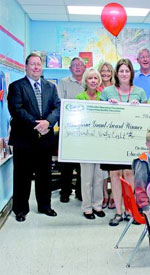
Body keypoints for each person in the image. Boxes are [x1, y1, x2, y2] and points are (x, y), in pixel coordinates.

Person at [7, 53, 60, 222]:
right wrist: (38, 124)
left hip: (45, 140)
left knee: (45, 174)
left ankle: (45, 206)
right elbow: (16, 109)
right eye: (32, 64)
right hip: (24, 139)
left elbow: (57, 108)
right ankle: (21, 209)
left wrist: (48, 123)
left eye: (39, 64)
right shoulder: (16, 86)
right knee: (22, 175)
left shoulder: (50, 87)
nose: (36, 67)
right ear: (26, 66)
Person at [100, 58, 147, 226]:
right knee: (114, 174)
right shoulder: (107, 92)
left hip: (132, 142)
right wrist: (107, 106)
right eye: (121, 71)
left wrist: (140, 107)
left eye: (127, 71)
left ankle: (129, 211)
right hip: (112, 141)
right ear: (116, 73)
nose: (124, 74)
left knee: (129, 174)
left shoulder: (140, 92)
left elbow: (147, 117)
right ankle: (118, 212)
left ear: (131, 73)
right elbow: (99, 115)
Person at [75, 68, 105, 219]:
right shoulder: (79, 98)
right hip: (85, 144)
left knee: (99, 178)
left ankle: (97, 206)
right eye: (90, 78)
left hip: (100, 143)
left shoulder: (103, 97)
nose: (93, 81)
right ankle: (87, 208)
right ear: (85, 81)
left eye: (95, 78)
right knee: (86, 179)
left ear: (99, 81)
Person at [57, 57, 86, 202]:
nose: (78, 67)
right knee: (66, 164)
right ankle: (65, 191)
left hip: (85, 131)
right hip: (68, 129)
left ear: (85, 68)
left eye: (81, 65)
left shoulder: (89, 82)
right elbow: (59, 103)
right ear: (70, 68)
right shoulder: (63, 82)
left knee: (83, 164)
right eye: (75, 65)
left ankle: (81, 192)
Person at [97, 61, 115, 208]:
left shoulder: (117, 88)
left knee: (113, 170)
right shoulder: (96, 88)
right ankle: (104, 196)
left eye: (108, 71)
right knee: (103, 170)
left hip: (115, 132)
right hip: (101, 133)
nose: (105, 74)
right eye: (103, 71)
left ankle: (113, 196)